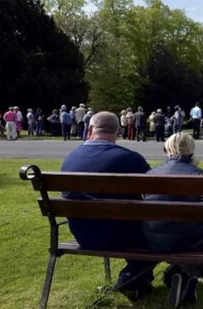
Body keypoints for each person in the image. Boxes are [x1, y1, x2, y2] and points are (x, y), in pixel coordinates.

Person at [61, 111, 154, 300]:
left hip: (83, 235)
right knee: (161, 234)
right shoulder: (131, 159)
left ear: (90, 130)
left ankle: (138, 282)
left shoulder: (70, 159)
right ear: (118, 131)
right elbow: (156, 193)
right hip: (125, 237)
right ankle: (130, 279)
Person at [142, 133, 203, 306]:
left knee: (183, 231)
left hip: (153, 236)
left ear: (167, 150)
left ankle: (180, 274)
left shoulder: (150, 173)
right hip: (188, 238)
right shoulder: (199, 175)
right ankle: (187, 275)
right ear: (191, 151)